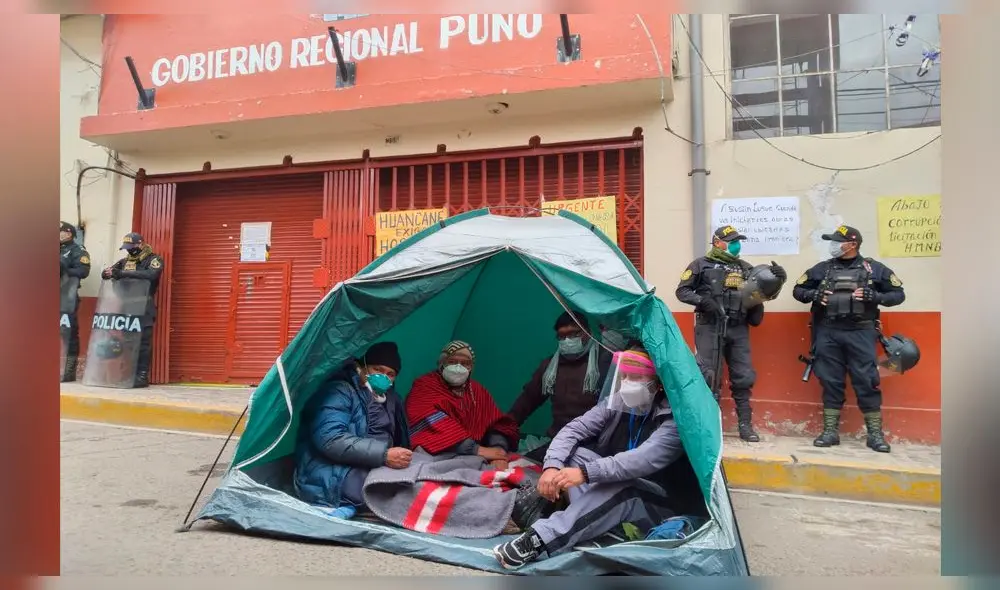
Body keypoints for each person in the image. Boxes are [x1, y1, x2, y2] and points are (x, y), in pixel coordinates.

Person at [493, 346, 704, 570]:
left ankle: (538, 540)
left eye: (636, 377)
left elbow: (640, 460)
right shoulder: (620, 401)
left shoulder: (675, 420)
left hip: (659, 503)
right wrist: (552, 467)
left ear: (657, 381)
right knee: (574, 455)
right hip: (617, 487)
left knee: (621, 486)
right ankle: (603, 528)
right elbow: (573, 429)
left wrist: (585, 473)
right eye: (624, 376)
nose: (627, 383)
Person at [792, 225, 905, 453]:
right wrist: (814, 294)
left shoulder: (874, 269)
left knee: (866, 380)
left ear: (852, 244)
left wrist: (876, 296)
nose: (833, 245)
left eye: (837, 241)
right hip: (828, 332)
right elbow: (798, 290)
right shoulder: (822, 269)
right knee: (830, 380)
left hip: (861, 332)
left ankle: (875, 435)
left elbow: (898, 295)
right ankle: (830, 432)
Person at [675, 225, 787, 442]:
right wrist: (703, 301)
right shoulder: (700, 264)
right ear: (718, 242)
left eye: (738, 241)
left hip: (738, 327)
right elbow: (682, 291)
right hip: (710, 326)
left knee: (743, 376)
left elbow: (761, 293)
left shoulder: (745, 268)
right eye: (732, 241)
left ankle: (745, 425)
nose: (737, 245)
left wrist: (777, 281)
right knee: (708, 375)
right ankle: (709, 425)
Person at [293, 341, 412, 514]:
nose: (383, 377)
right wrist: (384, 455)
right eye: (377, 369)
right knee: (399, 496)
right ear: (363, 366)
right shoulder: (339, 391)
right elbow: (330, 439)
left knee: (417, 480)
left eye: (390, 374)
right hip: (333, 472)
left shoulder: (391, 399)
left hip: (372, 464)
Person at [507, 311, 614, 459]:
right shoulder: (550, 367)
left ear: (588, 332)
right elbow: (527, 401)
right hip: (557, 440)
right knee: (522, 463)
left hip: (594, 442)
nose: (568, 340)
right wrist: (502, 432)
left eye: (574, 334)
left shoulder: (605, 361)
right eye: (562, 336)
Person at [406, 340, 520, 470]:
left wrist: (498, 450)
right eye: (452, 362)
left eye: (465, 363)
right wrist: (476, 449)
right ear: (441, 363)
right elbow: (428, 421)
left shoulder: (477, 391)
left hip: (479, 452)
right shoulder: (425, 386)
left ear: (471, 367)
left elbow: (497, 424)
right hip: (436, 452)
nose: (458, 367)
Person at [101, 232, 163, 388]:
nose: (129, 250)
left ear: (140, 244)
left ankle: (141, 376)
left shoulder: (153, 259)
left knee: (143, 343)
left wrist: (123, 273)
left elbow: (152, 274)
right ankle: (131, 375)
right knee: (129, 343)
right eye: (126, 247)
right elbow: (109, 272)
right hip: (127, 307)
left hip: (144, 306)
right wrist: (107, 273)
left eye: (131, 246)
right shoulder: (124, 261)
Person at [60, 221, 91, 382]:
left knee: (69, 334)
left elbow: (83, 271)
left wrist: (63, 269)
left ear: (68, 233)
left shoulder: (77, 250)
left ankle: (68, 371)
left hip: (67, 298)